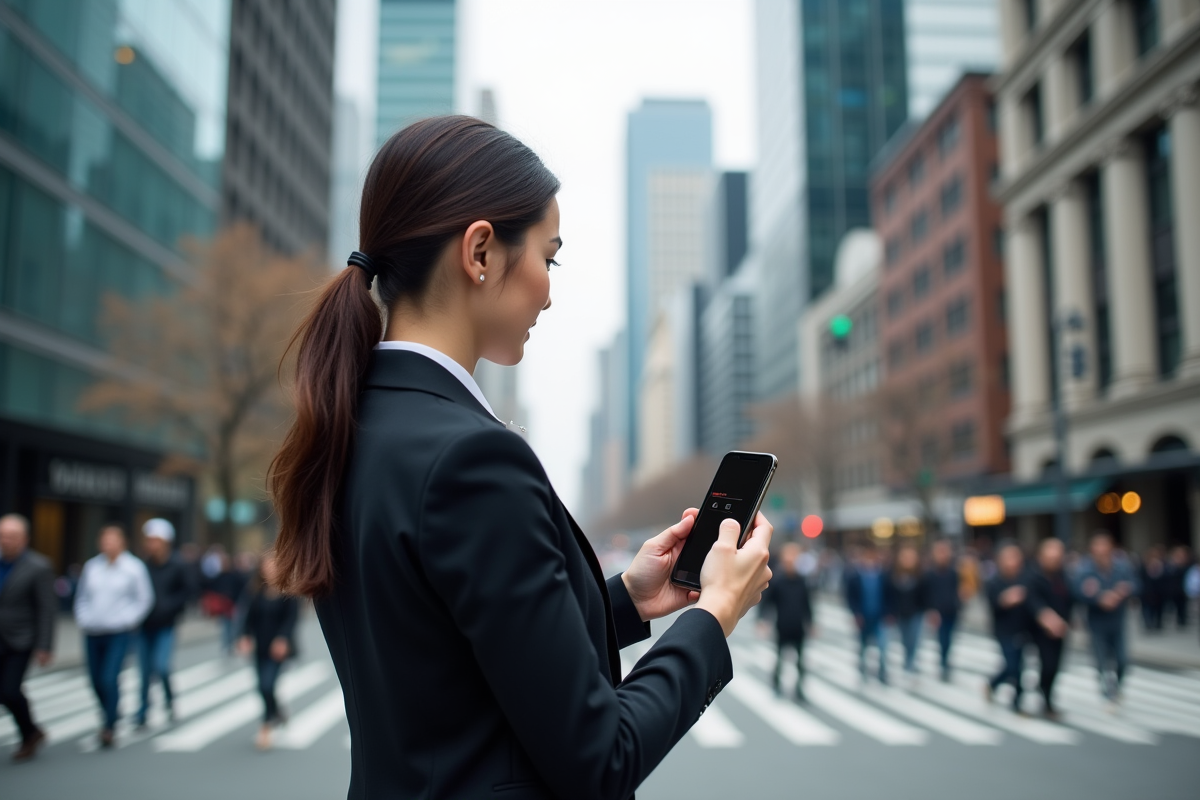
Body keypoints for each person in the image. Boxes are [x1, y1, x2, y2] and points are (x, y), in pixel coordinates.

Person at [265, 116, 773, 800]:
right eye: (549, 256)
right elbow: (602, 759)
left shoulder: (357, 426)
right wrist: (713, 615)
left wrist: (624, 600)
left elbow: (445, 653)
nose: (551, 289)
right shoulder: (472, 459)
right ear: (480, 252)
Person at [74, 524, 154, 748]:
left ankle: (109, 725)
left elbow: (144, 599)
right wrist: (84, 619)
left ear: (122, 542)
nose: (108, 544)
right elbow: (82, 597)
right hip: (93, 631)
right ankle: (110, 709)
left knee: (109, 677)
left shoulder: (133, 568)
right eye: (104, 540)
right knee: (95, 679)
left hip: (119, 632)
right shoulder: (92, 567)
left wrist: (128, 620)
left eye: (112, 539)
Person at [0, 513, 55, 761]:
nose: (6, 541)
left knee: (9, 691)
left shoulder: (39, 566)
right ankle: (32, 732)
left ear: (24, 539)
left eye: (11, 536)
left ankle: (29, 733)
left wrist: (44, 645)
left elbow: (46, 608)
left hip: (21, 640)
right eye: (2, 536)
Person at [237, 552, 299, 750]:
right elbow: (247, 617)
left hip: (278, 649)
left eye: (274, 566)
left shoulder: (288, 591)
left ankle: (266, 726)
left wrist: (283, 639)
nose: (270, 569)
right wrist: (244, 636)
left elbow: (291, 620)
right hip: (260, 647)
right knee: (261, 686)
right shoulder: (255, 590)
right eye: (267, 566)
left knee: (267, 684)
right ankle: (277, 712)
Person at [136, 518, 190, 728]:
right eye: (149, 540)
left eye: (155, 540)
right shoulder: (141, 565)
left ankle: (169, 700)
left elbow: (186, 592)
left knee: (161, 666)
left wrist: (169, 607)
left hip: (166, 624)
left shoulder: (178, 565)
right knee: (144, 671)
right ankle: (142, 712)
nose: (152, 544)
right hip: (143, 625)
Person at [1075, 531, 1138, 704]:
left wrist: (1123, 591)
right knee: (1102, 660)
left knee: (1122, 660)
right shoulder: (1084, 569)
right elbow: (1077, 591)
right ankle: (1107, 690)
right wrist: (1096, 597)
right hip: (1097, 622)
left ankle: (1116, 686)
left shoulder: (1122, 567)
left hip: (1117, 620)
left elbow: (1136, 585)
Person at [759, 542, 814, 701]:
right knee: (780, 659)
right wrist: (763, 620)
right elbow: (767, 602)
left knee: (800, 661)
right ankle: (776, 686)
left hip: (798, 626)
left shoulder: (802, 581)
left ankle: (799, 689)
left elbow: (807, 603)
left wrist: (811, 622)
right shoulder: (777, 580)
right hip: (782, 625)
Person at [1026, 538, 1073, 720]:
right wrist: (1046, 618)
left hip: (1061, 628)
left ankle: (1047, 693)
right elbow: (1033, 601)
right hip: (1041, 630)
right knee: (1048, 664)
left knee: (1056, 666)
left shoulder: (1063, 576)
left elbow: (1071, 598)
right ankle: (1046, 699)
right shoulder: (1034, 576)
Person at [984, 543, 1030, 714]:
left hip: (1023, 628)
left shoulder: (1025, 578)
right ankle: (996, 685)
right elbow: (992, 604)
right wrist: (1005, 600)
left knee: (1020, 665)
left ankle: (1016, 698)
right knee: (1012, 666)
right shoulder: (994, 581)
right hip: (1004, 630)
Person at [845, 544, 890, 684]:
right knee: (863, 644)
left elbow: (889, 595)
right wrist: (856, 613)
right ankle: (863, 668)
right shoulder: (855, 575)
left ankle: (882, 671)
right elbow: (850, 596)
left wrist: (889, 612)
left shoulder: (882, 574)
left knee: (883, 645)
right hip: (863, 616)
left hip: (879, 616)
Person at [922, 540, 962, 682]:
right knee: (942, 639)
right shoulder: (930, 573)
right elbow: (927, 594)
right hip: (938, 613)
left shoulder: (953, 572)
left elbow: (957, 590)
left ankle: (946, 662)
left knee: (950, 639)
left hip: (952, 610)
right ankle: (943, 664)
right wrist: (931, 610)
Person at [887, 545, 925, 676]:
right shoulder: (894, 573)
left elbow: (925, 594)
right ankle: (907, 659)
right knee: (905, 639)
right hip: (901, 613)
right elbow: (890, 594)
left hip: (916, 612)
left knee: (914, 638)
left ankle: (911, 662)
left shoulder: (920, 574)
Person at [1138, 546, 1167, 631]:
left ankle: (1158, 623)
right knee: (1146, 609)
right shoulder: (1143, 566)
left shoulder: (1163, 566)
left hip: (1159, 592)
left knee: (1159, 609)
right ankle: (1148, 624)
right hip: (1146, 592)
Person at [1165, 545, 1192, 628]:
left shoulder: (1187, 565)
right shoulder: (1171, 565)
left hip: (1183, 589)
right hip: (1173, 589)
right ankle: (1177, 620)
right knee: (1174, 605)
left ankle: (1182, 620)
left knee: (1183, 606)